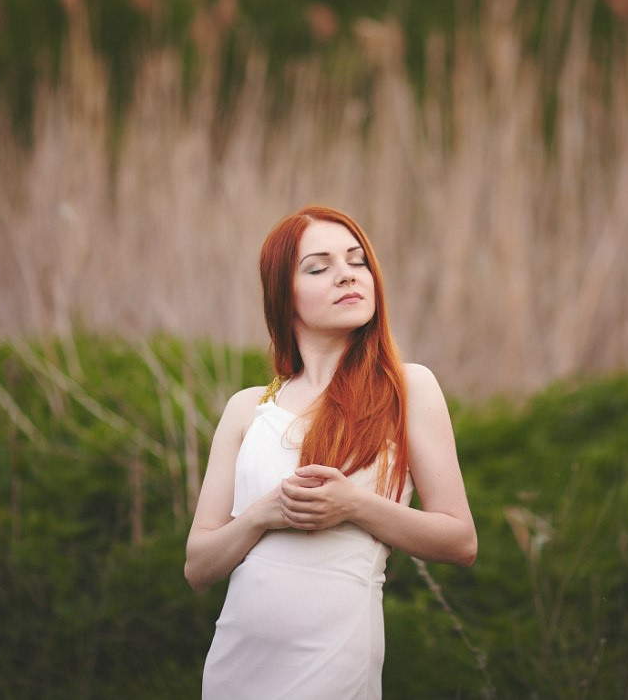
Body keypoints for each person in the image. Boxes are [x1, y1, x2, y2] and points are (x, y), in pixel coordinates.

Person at [185, 204, 478, 700]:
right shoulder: (247, 409)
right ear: (284, 297)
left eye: (357, 261)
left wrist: (353, 505)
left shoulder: (408, 389)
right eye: (319, 267)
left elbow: (460, 541)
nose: (347, 275)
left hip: (334, 664)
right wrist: (261, 515)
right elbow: (198, 568)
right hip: (236, 665)